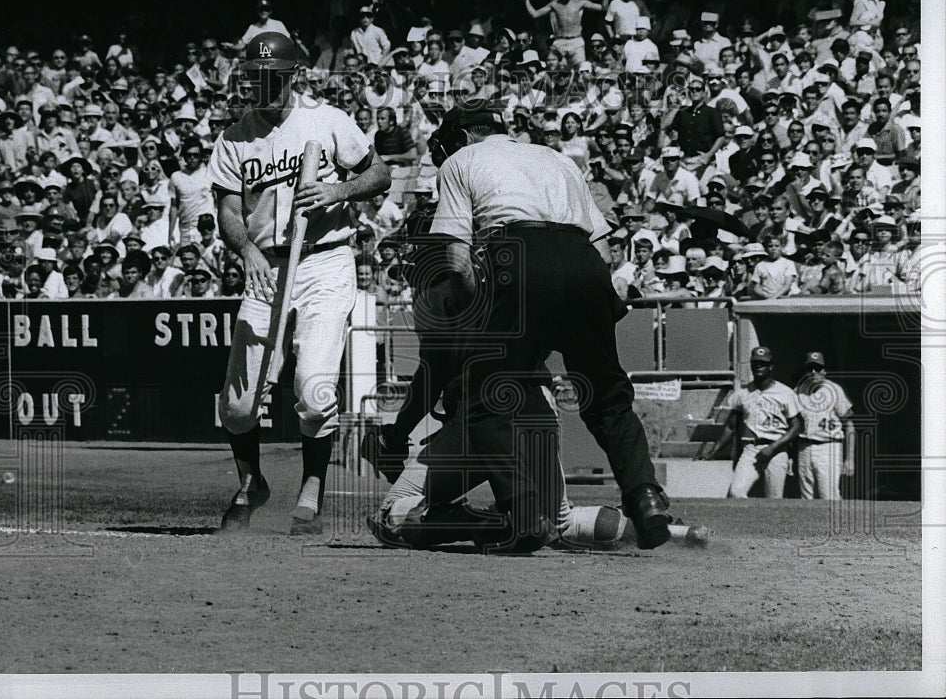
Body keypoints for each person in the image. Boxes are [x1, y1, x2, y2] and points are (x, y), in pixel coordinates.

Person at [425, 98, 673, 552]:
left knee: (486, 397)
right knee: (609, 399)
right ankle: (646, 496)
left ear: (462, 136)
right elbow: (601, 246)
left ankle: (524, 516)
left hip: (515, 256)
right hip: (582, 262)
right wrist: (599, 306)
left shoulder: (461, 160)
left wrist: (476, 317)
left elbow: (458, 263)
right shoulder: (556, 158)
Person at [208, 32, 390, 534]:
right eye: (253, 78)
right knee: (239, 404)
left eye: (272, 78)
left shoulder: (326, 120)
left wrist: (339, 188)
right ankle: (252, 482)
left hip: (324, 261)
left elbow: (380, 174)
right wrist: (246, 251)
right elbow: (227, 211)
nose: (261, 87)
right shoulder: (235, 137)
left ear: (293, 77)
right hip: (266, 262)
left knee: (313, 391)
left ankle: (312, 487)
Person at [700, 346, 804, 499]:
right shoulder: (742, 393)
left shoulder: (785, 392)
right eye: (756, 363)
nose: (759, 367)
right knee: (736, 492)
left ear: (771, 366)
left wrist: (774, 448)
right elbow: (731, 426)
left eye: (763, 363)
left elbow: (797, 426)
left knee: (774, 498)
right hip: (751, 448)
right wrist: (712, 452)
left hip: (777, 448)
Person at [794, 351, 855, 500]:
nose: (814, 372)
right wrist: (790, 456)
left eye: (818, 368)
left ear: (824, 371)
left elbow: (849, 425)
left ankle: (836, 524)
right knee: (806, 497)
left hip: (829, 446)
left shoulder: (834, 390)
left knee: (828, 496)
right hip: (804, 447)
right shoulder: (797, 391)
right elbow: (794, 426)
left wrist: (850, 458)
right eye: (810, 368)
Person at [522, 0, 610, 68]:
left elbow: (603, 8)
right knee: (559, 70)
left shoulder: (580, 3)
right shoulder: (555, 4)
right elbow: (534, 14)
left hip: (576, 41)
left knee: (581, 69)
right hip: (560, 42)